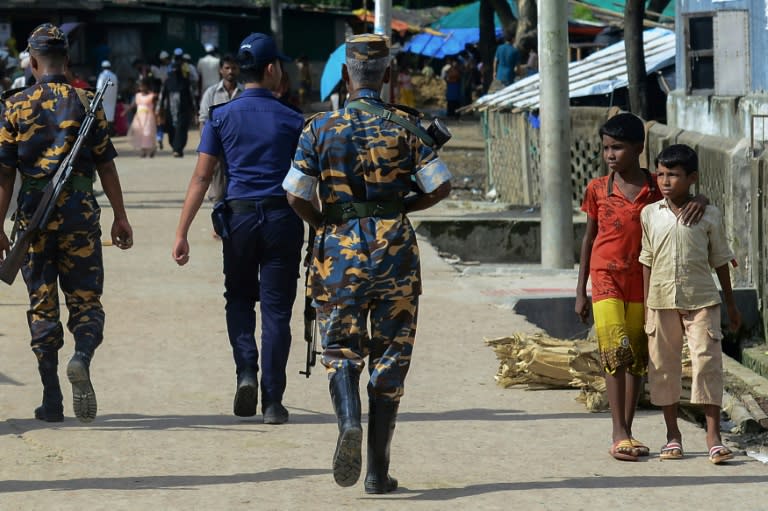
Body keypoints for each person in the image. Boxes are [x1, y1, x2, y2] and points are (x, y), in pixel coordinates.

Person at [283, 33, 452, 493]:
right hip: (395, 250)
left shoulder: (319, 128)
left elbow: (294, 192)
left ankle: (348, 424)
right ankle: (377, 473)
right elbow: (441, 186)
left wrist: (323, 222)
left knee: (340, 350)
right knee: (391, 354)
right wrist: (401, 208)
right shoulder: (406, 126)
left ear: (344, 75)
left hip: (337, 251)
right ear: (389, 75)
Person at [0, 23, 133, 424]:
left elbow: (4, 175)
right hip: (80, 215)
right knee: (86, 301)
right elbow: (107, 166)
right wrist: (120, 216)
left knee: (42, 305)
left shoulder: (14, 106)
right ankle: (81, 356)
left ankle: (52, 397)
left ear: (33, 60)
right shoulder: (86, 101)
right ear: (67, 59)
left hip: (33, 218)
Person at [172, 33, 304, 425]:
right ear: (270, 69)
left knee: (240, 300)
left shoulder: (221, 116)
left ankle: (246, 370)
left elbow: (201, 177)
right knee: (277, 311)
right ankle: (273, 401)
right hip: (283, 218)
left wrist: (181, 232)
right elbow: (309, 182)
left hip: (239, 219)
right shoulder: (294, 120)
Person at [575, 113, 707, 462]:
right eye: (605, 148)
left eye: (617, 147)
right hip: (605, 277)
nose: (610, 155)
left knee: (635, 358)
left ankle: (628, 431)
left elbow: (687, 198)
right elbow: (588, 240)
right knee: (614, 351)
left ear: (638, 148)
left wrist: (702, 201)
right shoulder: (597, 189)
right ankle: (617, 432)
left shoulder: (654, 187)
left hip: (645, 281)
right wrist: (580, 290)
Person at [639, 144, 740, 464]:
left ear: (692, 178)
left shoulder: (708, 214)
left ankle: (713, 436)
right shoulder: (650, 214)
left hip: (702, 301)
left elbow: (721, 260)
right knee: (663, 369)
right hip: (661, 301)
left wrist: (732, 305)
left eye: (674, 175)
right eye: (661, 174)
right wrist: (645, 307)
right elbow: (647, 260)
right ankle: (673, 435)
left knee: (708, 364)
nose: (665, 181)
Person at [198, 54, 244, 203]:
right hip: (217, 149)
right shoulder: (211, 93)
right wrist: (207, 146)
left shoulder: (245, 93)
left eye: (234, 68)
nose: (231, 71)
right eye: (227, 68)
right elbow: (203, 120)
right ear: (221, 70)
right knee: (218, 194)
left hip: (240, 150)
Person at [158, 57, 194, 157]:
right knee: (171, 130)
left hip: (183, 110)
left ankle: (178, 149)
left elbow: (191, 96)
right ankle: (175, 147)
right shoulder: (167, 82)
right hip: (170, 110)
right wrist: (159, 109)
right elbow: (162, 96)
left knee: (181, 129)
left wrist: (194, 109)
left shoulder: (186, 82)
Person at [129, 77, 158, 158]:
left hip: (148, 117)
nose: (141, 88)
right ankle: (143, 151)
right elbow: (133, 105)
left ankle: (152, 148)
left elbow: (156, 106)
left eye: (142, 86)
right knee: (140, 133)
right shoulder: (137, 95)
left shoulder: (152, 96)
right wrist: (125, 111)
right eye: (140, 86)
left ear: (147, 86)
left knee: (147, 132)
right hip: (139, 117)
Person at [96, 60, 118, 132]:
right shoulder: (114, 76)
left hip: (104, 98)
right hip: (112, 98)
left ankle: (105, 131)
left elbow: (99, 88)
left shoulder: (102, 75)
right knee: (110, 114)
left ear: (102, 68)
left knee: (104, 114)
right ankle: (110, 131)